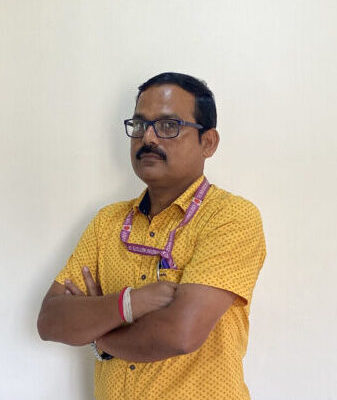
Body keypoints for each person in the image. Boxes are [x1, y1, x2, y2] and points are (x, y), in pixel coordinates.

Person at [37, 72, 266, 400]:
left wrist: (98, 333)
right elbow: (50, 321)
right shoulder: (107, 222)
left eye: (169, 126)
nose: (149, 139)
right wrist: (131, 303)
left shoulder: (230, 217)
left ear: (208, 142)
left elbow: (180, 334)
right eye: (140, 125)